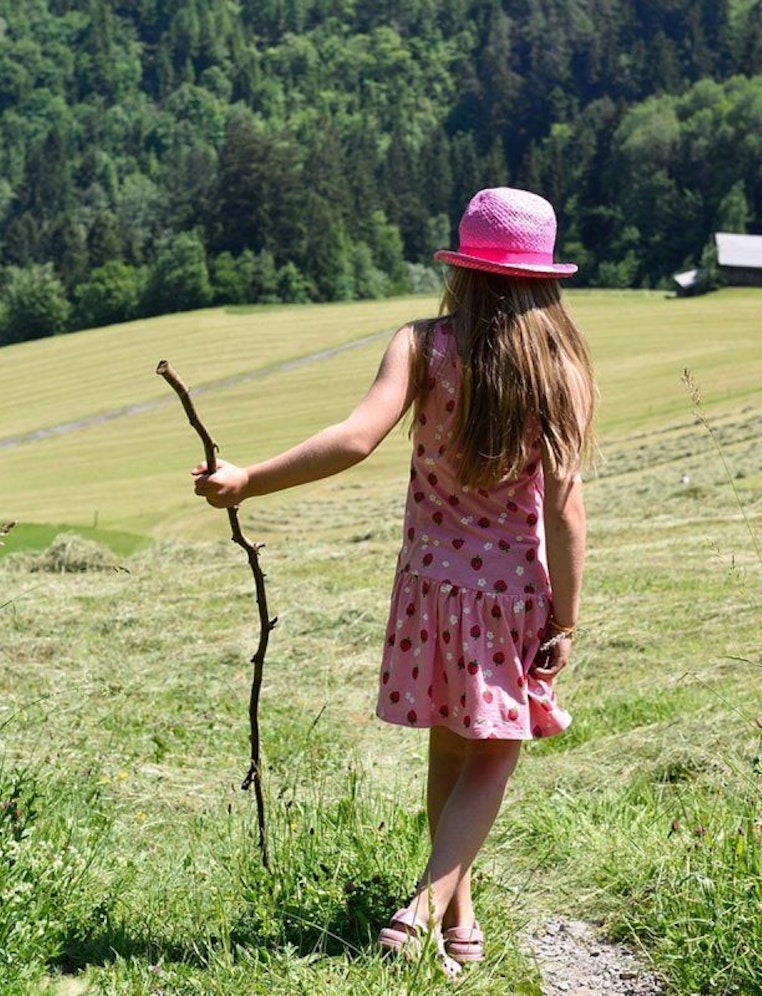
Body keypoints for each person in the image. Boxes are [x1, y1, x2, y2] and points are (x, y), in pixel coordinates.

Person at [192, 186, 596, 975]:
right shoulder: (560, 368)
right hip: (510, 593)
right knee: (496, 753)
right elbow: (567, 509)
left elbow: (352, 440)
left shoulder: (423, 345)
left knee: (452, 749)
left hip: (426, 586)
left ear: (464, 270)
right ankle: (422, 906)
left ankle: (457, 918)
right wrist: (566, 617)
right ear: (545, 276)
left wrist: (249, 480)